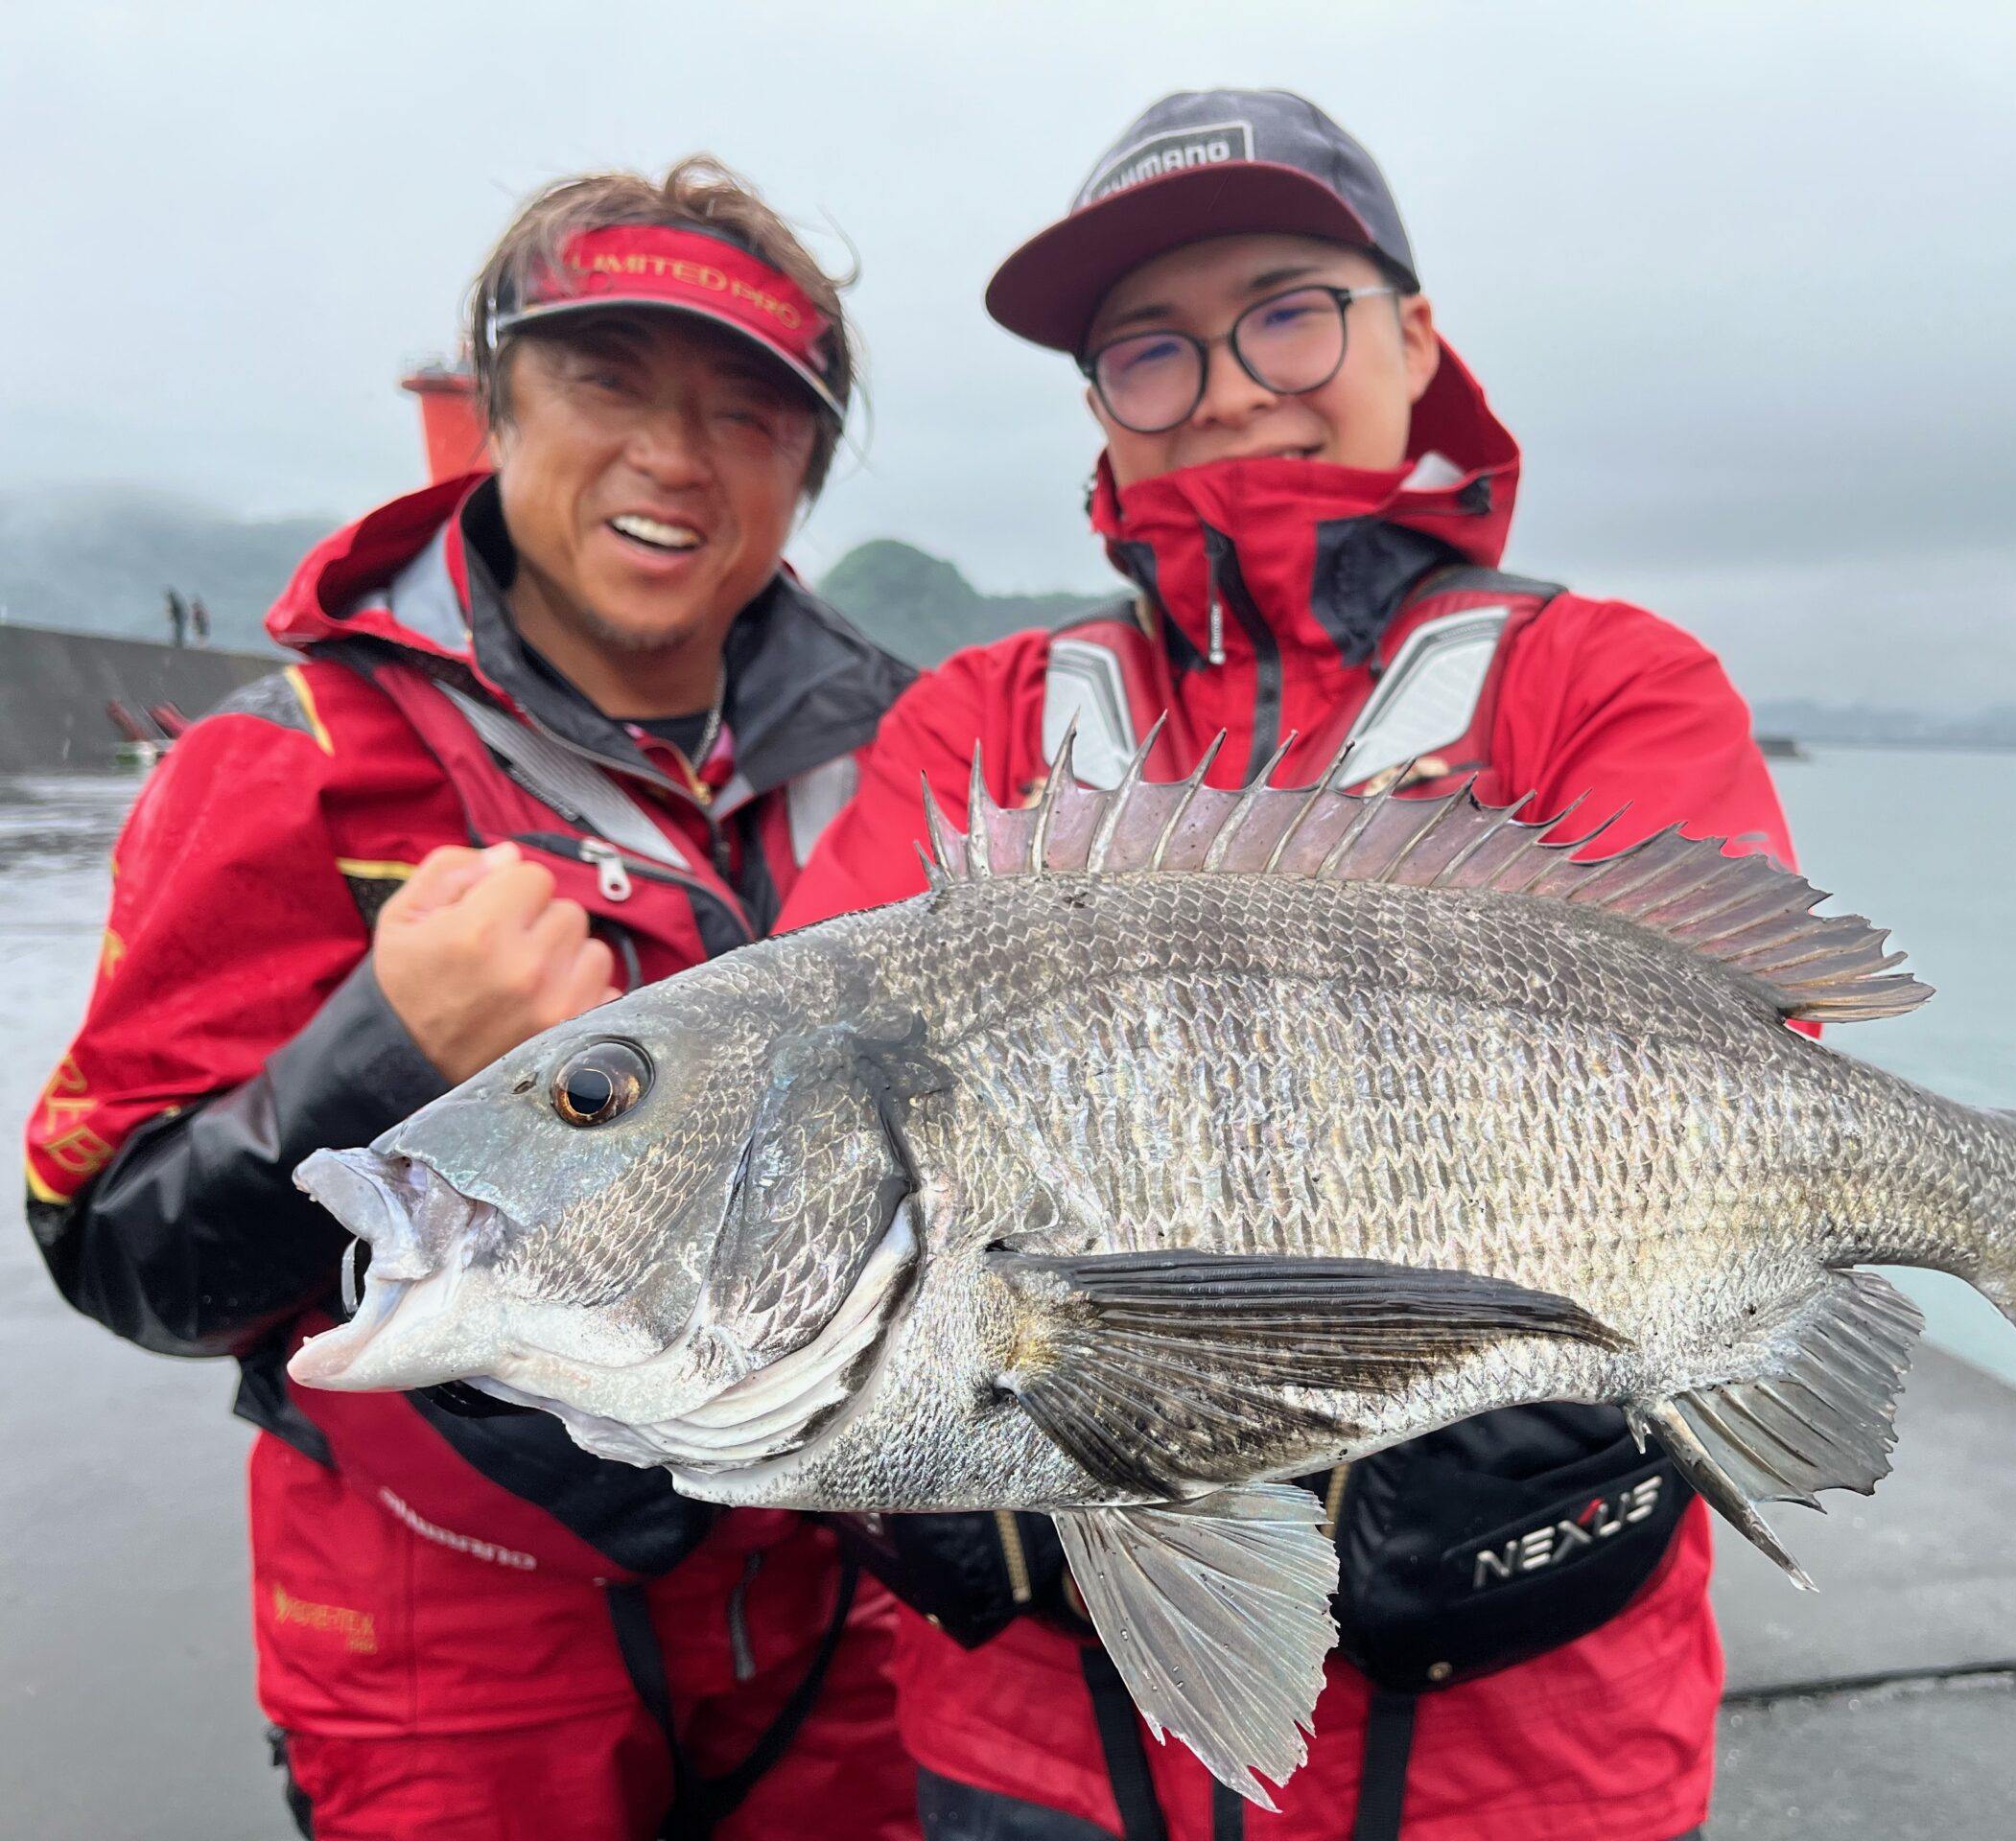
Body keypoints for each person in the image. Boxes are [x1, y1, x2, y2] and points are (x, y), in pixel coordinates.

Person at [781, 91, 1799, 1841]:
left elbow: (1745, 1077)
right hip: (1034, 1752)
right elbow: (821, 1132)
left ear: (1416, 334)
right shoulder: (976, 722)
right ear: (1099, 411)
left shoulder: (1607, 681)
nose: (1235, 382)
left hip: (1524, 1764)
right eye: (1151, 351)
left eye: (1288, 309)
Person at [27, 158, 919, 1840]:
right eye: (605, 380)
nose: (671, 454)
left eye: (748, 410)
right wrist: (375, 1059)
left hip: (836, 1616)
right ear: (491, 397)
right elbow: (113, 1251)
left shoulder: (910, 763)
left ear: (807, 467)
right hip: (452, 1657)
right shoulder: (294, 763)